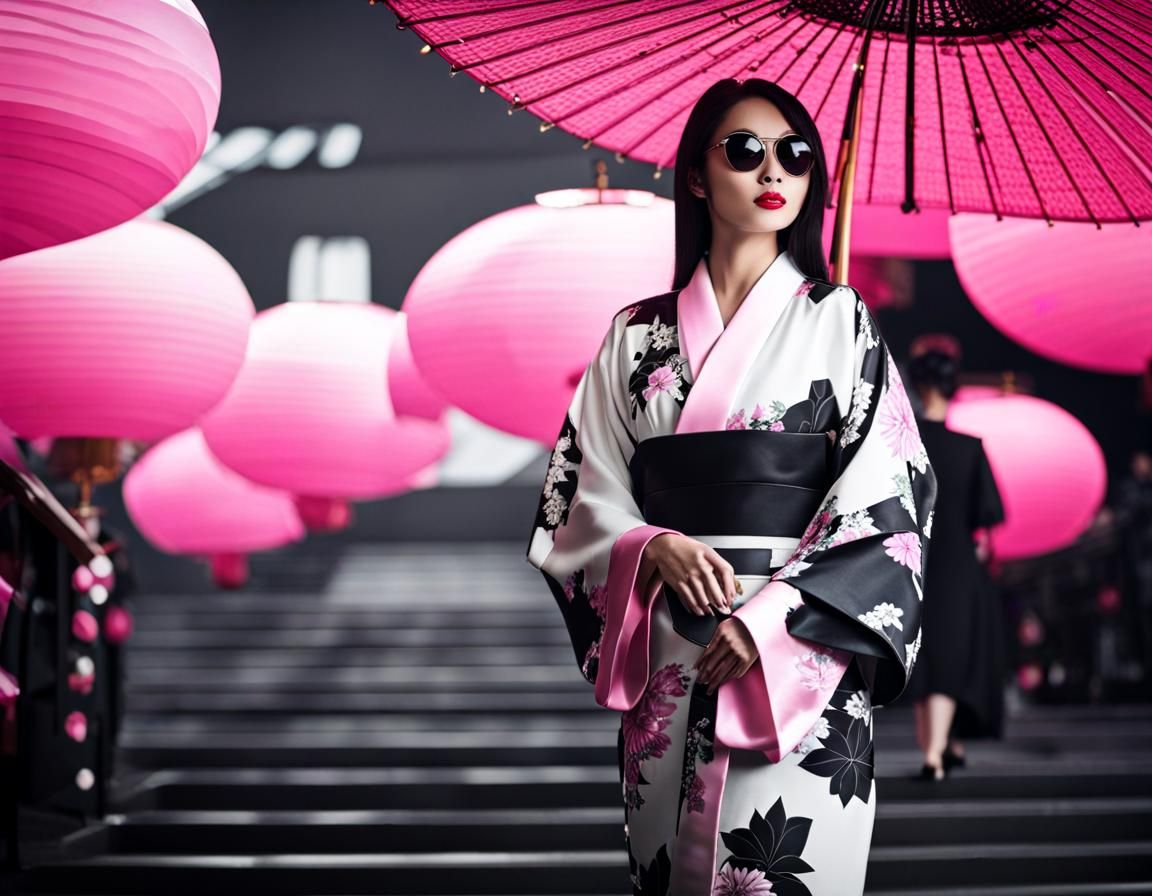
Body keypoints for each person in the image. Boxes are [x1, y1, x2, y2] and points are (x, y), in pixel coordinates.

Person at [526, 77, 936, 896]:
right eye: (745, 151)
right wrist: (653, 545)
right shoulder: (635, 336)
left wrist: (777, 616)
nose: (772, 170)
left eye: (795, 154)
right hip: (675, 655)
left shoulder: (842, 322)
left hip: (803, 660)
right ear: (694, 175)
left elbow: (890, 501)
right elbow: (580, 488)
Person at [900, 335, 1005, 781]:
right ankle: (936, 754)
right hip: (958, 560)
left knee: (924, 653)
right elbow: (990, 515)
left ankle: (934, 751)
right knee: (950, 652)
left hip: (912, 556)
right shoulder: (970, 447)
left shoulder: (905, 445)